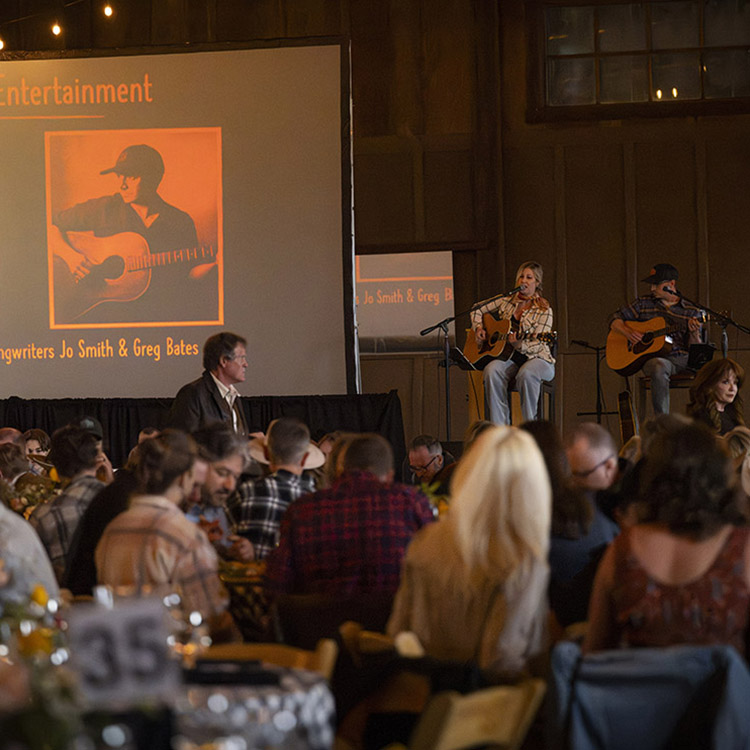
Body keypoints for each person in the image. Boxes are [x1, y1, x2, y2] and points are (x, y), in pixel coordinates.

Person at [387, 426, 551, 677]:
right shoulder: (523, 559)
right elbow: (501, 661)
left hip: (418, 690)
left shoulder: (425, 540)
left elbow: (397, 633)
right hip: (483, 707)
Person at [584, 422, 750, 655]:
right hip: (722, 690)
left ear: (654, 477)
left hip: (639, 689)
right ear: (719, 478)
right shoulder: (741, 549)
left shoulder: (623, 549)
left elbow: (595, 653)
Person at [49, 144, 217, 324]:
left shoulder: (180, 221)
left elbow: (188, 274)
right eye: (120, 177)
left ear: (154, 177)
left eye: (131, 177)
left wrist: (216, 266)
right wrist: (72, 258)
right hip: (107, 315)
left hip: (161, 316)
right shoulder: (104, 208)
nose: (122, 185)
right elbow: (47, 225)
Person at [96, 430, 237, 640]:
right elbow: (211, 613)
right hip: (173, 655)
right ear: (183, 478)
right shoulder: (183, 535)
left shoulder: (113, 529)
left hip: (120, 651)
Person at [265, 433, 435, 600]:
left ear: (339, 470)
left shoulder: (302, 510)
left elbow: (277, 584)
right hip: (393, 624)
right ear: (389, 475)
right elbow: (435, 572)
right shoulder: (412, 502)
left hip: (320, 624)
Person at [610, 263, 704, 415]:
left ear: (671, 284)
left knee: (712, 369)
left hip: (680, 358)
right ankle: (662, 422)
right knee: (658, 365)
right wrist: (628, 333)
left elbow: (695, 351)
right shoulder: (643, 303)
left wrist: (694, 333)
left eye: (656, 285)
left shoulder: (691, 311)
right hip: (653, 358)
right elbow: (614, 319)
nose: (652, 289)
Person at [470, 261, 555, 425]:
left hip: (538, 359)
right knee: (491, 370)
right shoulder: (506, 301)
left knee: (527, 373)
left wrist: (519, 345)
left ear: (537, 283)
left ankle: (529, 430)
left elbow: (538, 343)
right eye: (521, 277)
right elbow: (477, 309)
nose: (523, 280)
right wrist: (479, 328)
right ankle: (500, 430)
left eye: (529, 277)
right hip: (511, 358)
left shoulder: (544, 309)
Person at [228, 418, 320, 560]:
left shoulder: (246, 491)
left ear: (265, 453)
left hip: (254, 579)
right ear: (304, 458)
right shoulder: (318, 500)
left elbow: (226, 538)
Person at [28, 425, 105, 584]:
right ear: (96, 459)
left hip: (69, 602)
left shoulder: (43, 516)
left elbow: (34, 577)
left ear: (54, 464)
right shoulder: (122, 501)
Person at [167, 332, 250, 437]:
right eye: (241, 357)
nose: (245, 364)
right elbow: (181, 443)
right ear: (223, 361)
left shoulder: (234, 397)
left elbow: (233, 441)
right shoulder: (192, 394)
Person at [687, 358, 745, 435]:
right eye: (725, 382)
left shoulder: (733, 417)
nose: (732, 388)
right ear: (709, 384)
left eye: (735, 383)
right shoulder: (700, 419)